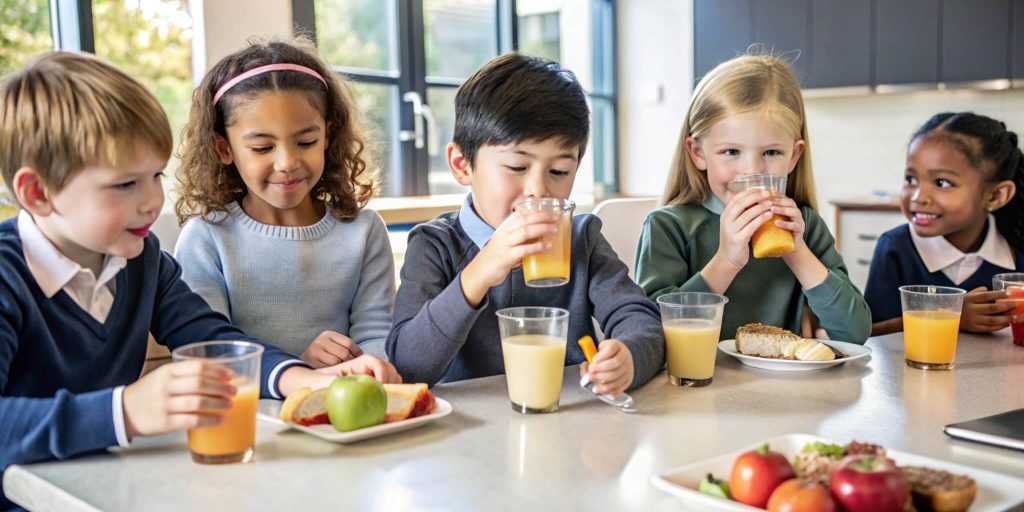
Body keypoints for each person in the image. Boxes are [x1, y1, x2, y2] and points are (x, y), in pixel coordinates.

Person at [0, 52, 397, 509]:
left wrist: (304, 381)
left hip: (104, 491)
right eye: (125, 185)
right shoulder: (9, 274)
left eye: (155, 176)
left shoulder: (142, 259)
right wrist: (123, 411)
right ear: (37, 193)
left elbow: (214, 340)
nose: (152, 202)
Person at [386, 53, 665, 397]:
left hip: (568, 423)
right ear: (462, 165)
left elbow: (641, 319)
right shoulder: (435, 245)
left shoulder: (582, 238)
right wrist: (479, 272)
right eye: (518, 167)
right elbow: (408, 366)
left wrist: (629, 356)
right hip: (469, 436)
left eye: (559, 171)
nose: (538, 190)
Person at [174, 37, 395, 363]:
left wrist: (362, 366)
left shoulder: (363, 230)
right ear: (225, 149)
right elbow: (211, 353)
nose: (287, 163)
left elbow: (378, 336)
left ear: (328, 136)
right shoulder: (206, 237)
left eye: (306, 141)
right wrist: (299, 366)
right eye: (263, 148)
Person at [634, 52, 871, 343]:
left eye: (771, 152)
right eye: (731, 152)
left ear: (794, 156)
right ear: (698, 153)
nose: (752, 171)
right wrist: (725, 261)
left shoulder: (805, 225)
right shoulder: (668, 227)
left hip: (781, 386)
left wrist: (797, 254)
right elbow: (650, 334)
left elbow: (855, 334)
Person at [865, 112, 1024, 335]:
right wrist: (950, 316)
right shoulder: (896, 248)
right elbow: (869, 333)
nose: (919, 197)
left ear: (995, 196)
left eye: (942, 182)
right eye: (911, 179)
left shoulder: (1016, 251)